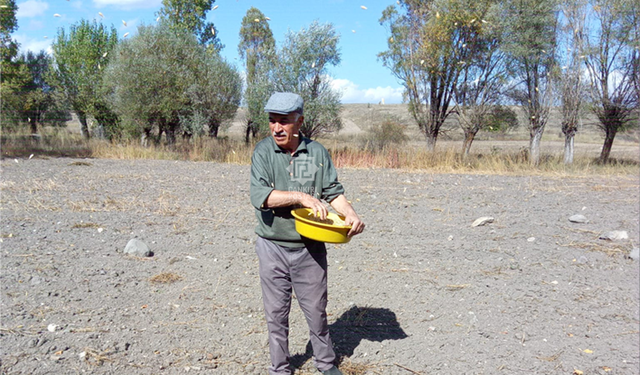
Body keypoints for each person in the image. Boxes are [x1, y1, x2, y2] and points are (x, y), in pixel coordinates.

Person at [250, 92, 365, 375]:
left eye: (284, 121)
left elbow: (332, 192)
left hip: (309, 248)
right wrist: (300, 197)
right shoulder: (264, 152)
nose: (277, 128)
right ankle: (280, 369)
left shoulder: (315, 153)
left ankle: (326, 364)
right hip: (272, 246)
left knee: (316, 312)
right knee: (276, 315)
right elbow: (261, 197)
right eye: (272, 121)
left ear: (299, 121)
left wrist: (350, 213)